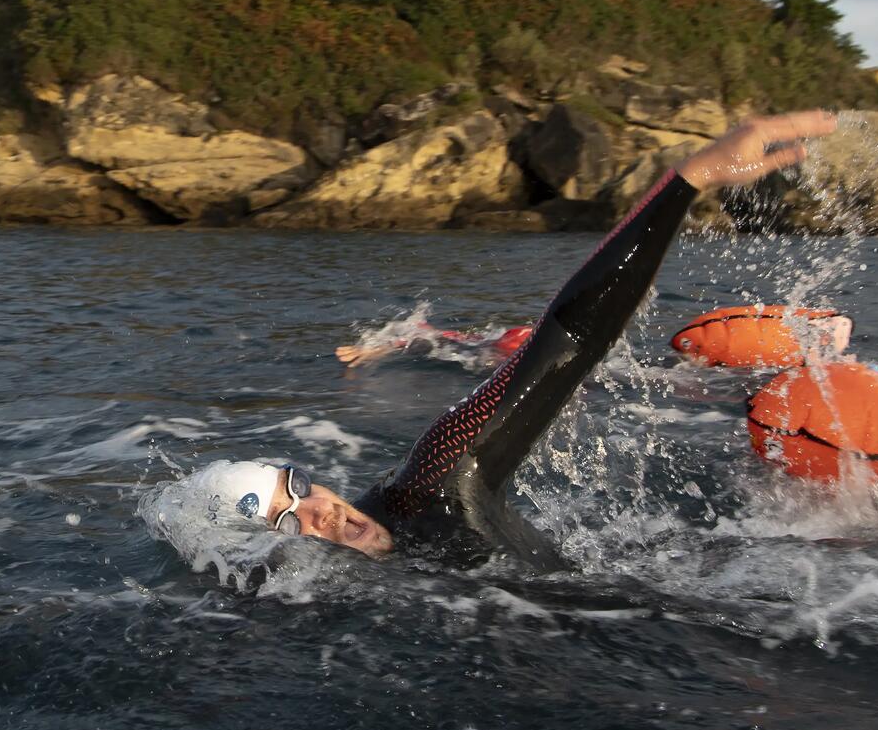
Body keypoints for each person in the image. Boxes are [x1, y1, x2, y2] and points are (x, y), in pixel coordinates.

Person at [190, 110, 840, 568]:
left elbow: (568, 339)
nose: (318, 514)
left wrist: (686, 181)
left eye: (298, 487)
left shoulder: (430, 485)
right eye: (283, 520)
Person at [335, 319, 534, 368]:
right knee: (430, 340)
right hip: (478, 350)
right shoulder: (519, 339)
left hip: (486, 345)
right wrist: (373, 351)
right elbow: (438, 339)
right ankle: (371, 351)